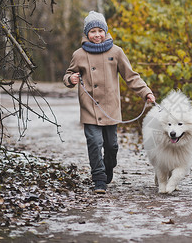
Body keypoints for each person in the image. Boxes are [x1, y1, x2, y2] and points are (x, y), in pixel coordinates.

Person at [63, 11, 156, 194]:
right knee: (94, 143)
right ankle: (99, 179)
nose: (97, 35)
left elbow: (131, 77)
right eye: (93, 31)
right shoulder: (79, 54)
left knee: (111, 146)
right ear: (86, 34)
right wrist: (70, 79)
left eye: (100, 31)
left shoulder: (116, 52)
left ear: (105, 32)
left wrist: (146, 92)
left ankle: (108, 167)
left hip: (111, 108)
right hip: (90, 107)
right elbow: (68, 74)